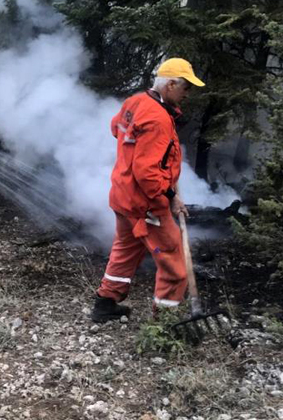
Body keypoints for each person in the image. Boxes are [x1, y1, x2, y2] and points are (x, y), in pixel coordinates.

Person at [91, 58, 205, 323]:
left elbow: (115, 128)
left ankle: (105, 305)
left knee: (126, 248)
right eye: (186, 87)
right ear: (171, 84)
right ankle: (166, 322)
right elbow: (147, 173)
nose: (187, 94)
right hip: (145, 204)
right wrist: (171, 196)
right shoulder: (158, 120)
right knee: (172, 256)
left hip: (123, 197)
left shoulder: (136, 102)